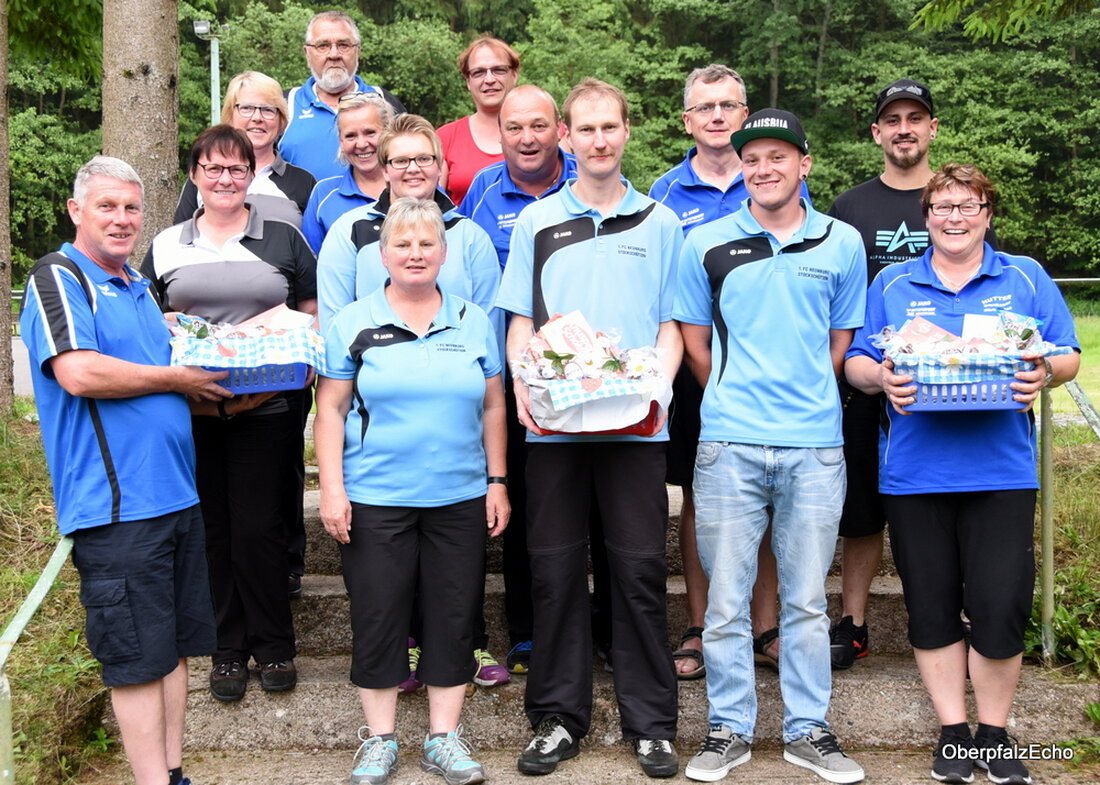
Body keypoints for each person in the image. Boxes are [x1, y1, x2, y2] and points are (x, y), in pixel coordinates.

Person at [845, 163, 1079, 785]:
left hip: (1002, 471)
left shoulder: (1024, 276)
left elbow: (1065, 353)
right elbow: (858, 360)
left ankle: (994, 734)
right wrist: (881, 377)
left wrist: (1044, 372)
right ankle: (953, 732)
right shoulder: (894, 282)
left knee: (1000, 606)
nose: (955, 217)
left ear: (987, 214)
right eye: (942, 207)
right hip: (915, 473)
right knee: (931, 608)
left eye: (967, 205)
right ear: (926, 218)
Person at [19, 155, 229, 785]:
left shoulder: (136, 284)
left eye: (131, 208)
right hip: (117, 508)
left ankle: (173, 773)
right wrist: (176, 377)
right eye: (106, 206)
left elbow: (166, 374)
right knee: (137, 660)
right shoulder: (60, 276)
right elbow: (79, 372)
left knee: (175, 651)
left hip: (176, 496)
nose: (121, 219)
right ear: (76, 210)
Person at [498, 78, 683, 779]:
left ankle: (652, 724)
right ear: (566, 138)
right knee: (554, 573)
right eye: (587, 129)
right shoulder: (537, 221)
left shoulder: (661, 223)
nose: (599, 140)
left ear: (626, 131)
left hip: (635, 428)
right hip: (556, 428)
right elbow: (521, 323)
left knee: (638, 572)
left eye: (610, 127)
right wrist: (524, 384)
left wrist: (655, 389)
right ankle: (557, 717)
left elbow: (671, 326)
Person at [675, 109, 866, 784]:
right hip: (728, 442)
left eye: (778, 156)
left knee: (807, 600)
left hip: (814, 445)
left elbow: (840, 342)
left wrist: (799, 396)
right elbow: (695, 343)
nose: (764, 168)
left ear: (803, 165)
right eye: (752, 158)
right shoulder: (706, 242)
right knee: (725, 601)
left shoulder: (842, 242)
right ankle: (728, 728)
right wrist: (736, 395)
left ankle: (808, 730)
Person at [314, 197, 509, 785]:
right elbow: (330, 409)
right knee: (378, 615)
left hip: (459, 495)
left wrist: (497, 481)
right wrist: (332, 490)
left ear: (445, 254)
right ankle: (379, 741)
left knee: (453, 615)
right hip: (376, 496)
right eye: (402, 244)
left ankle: (443, 739)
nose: (415, 254)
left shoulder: (473, 320)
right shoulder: (353, 322)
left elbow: (494, 405)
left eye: (427, 244)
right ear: (383, 254)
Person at [826, 79, 999, 670]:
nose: (904, 129)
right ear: (877, 132)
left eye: (915, 118)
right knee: (861, 512)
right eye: (893, 120)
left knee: (952, 504)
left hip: (954, 387)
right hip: (868, 382)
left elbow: (989, 293)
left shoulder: (961, 202)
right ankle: (853, 622)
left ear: (932, 128)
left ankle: (966, 616)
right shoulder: (849, 208)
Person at [142, 125, 318, 703]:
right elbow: (146, 316)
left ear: (251, 174)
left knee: (260, 527)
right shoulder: (167, 243)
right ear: (194, 175)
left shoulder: (283, 235)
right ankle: (226, 649)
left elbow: (310, 308)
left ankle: (274, 644)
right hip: (191, 408)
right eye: (213, 168)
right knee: (211, 529)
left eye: (237, 168)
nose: (225, 178)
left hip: (267, 401)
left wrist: (305, 356)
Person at [649, 63, 799, 679]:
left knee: (766, 495)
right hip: (693, 370)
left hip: (768, 372)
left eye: (728, 106)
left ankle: (764, 626)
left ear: (744, 115)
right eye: (705, 107)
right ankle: (701, 624)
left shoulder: (774, 177)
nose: (717, 116)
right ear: (687, 120)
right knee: (696, 494)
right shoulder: (663, 192)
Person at [458, 83, 578, 676]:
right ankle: (527, 632)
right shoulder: (482, 192)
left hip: (587, 372)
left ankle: (601, 628)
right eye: (514, 128)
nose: (527, 139)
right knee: (527, 503)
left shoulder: (587, 179)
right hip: (513, 376)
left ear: (560, 131)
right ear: (499, 133)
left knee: (594, 508)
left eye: (538, 126)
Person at [316, 113, 500, 330]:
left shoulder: (472, 238)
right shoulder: (348, 231)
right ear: (385, 171)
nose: (413, 169)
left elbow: (488, 329)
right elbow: (334, 327)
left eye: (424, 159)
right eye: (401, 161)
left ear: (439, 167)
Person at [173, 71, 316, 227]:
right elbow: (181, 235)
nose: (257, 118)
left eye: (268, 110)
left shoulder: (303, 182)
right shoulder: (207, 175)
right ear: (230, 115)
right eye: (247, 108)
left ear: (281, 120)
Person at [281, 10, 406, 181]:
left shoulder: (384, 101)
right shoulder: (284, 104)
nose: (334, 55)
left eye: (343, 45)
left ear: (358, 51)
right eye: (323, 46)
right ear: (307, 53)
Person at [302, 91, 395, 253]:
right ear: (341, 141)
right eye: (350, 136)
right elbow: (312, 261)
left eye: (370, 132)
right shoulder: (323, 194)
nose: (361, 144)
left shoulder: (415, 184)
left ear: (388, 133)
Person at [437, 36, 519, 205]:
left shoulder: (546, 132)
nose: (489, 80)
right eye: (478, 72)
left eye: (498, 70)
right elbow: (431, 204)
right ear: (468, 81)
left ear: (514, 75)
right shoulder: (445, 138)